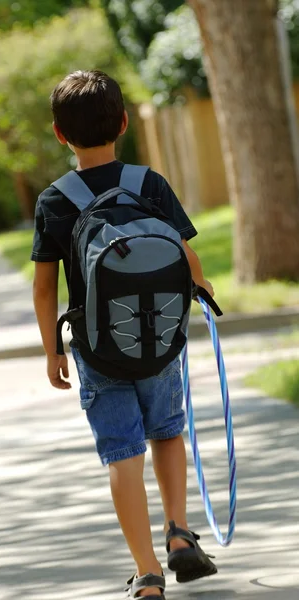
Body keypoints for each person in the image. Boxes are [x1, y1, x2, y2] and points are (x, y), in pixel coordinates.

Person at [32, 70, 217, 599]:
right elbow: (186, 257)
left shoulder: (55, 200)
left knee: (122, 454)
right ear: (124, 123)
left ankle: (148, 572)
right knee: (166, 431)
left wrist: (51, 351)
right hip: (158, 343)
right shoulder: (148, 184)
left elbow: (45, 288)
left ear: (59, 133)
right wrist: (200, 291)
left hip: (96, 350)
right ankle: (179, 531)